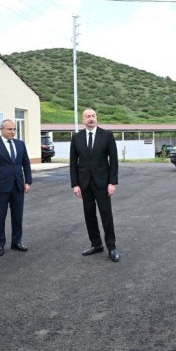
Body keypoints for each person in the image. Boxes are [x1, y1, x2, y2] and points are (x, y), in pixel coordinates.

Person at [70, 108, 120, 262]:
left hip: (102, 183)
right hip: (84, 183)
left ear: (96, 118)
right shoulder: (76, 138)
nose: (91, 118)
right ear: (83, 119)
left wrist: (112, 182)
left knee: (106, 215)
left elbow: (114, 160)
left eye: (93, 116)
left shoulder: (107, 135)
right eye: (88, 116)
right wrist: (75, 184)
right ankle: (96, 244)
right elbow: (73, 163)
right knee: (89, 215)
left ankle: (111, 247)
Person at [0, 119, 32, 256]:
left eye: (14, 129)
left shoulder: (20, 144)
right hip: (0, 188)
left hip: (18, 186)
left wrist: (28, 182)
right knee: (0, 217)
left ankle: (17, 242)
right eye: (10, 129)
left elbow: (26, 164)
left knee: (18, 216)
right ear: (2, 130)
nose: (13, 131)